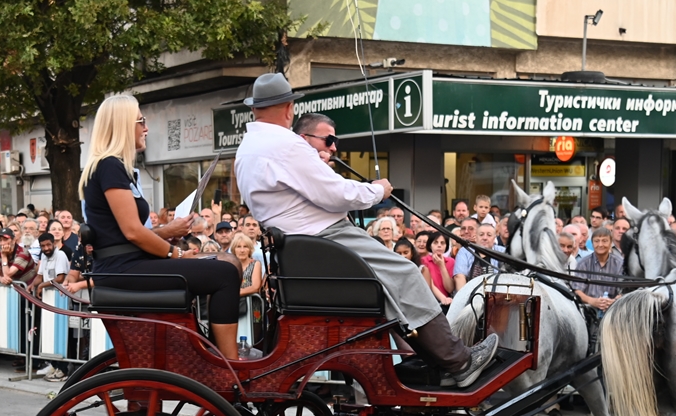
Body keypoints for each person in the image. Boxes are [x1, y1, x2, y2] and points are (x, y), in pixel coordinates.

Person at [231, 74, 497, 384]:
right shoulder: (286, 144)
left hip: (297, 244)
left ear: (255, 109)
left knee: (390, 286)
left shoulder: (247, 148)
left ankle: (435, 361)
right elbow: (335, 194)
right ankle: (459, 361)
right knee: (405, 273)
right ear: (289, 108)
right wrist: (378, 190)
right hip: (323, 238)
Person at [80, 94, 246, 359]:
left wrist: (168, 233)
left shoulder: (112, 167)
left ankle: (212, 351)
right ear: (123, 125)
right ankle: (228, 364)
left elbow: (124, 233)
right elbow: (132, 232)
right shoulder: (110, 166)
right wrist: (176, 254)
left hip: (125, 264)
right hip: (122, 268)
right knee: (225, 274)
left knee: (230, 261)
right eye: (141, 121)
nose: (146, 128)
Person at [573, 226, 622, 316]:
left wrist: (612, 302)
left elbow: (624, 292)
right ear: (592, 243)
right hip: (588, 311)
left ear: (611, 243)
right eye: (596, 241)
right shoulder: (583, 263)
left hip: (614, 311)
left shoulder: (619, 263)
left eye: (604, 241)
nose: (600, 244)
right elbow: (577, 290)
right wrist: (592, 301)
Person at [420, 233, 457, 306]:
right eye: (435, 242)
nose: (439, 245)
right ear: (430, 245)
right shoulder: (423, 261)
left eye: (442, 243)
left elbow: (450, 289)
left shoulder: (451, 261)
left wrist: (442, 266)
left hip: (447, 302)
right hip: (429, 302)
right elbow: (429, 285)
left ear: (446, 246)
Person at [229, 232, 263, 297]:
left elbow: (255, 287)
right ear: (234, 249)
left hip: (250, 301)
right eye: (238, 247)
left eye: (245, 247)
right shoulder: (230, 265)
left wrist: (233, 293)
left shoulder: (255, 264)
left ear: (250, 249)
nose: (242, 250)